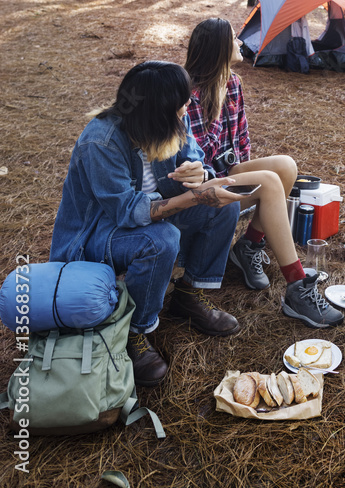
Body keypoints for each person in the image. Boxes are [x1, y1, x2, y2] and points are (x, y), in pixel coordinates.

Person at [50, 61, 243, 387]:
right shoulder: (101, 140)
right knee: (161, 239)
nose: (187, 107)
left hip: (144, 222)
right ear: (157, 111)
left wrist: (200, 173)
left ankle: (188, 295)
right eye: (181, 102)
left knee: (224, 208)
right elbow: (126, 212)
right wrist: (191, 199)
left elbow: (196, 158)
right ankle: (134, 332)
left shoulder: (171, 121)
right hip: (96, 236)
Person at [185, 17, 343, 329]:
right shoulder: (190, 95)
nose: (241, 43)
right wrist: (247, 182)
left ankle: (248, 246)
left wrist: (244, 175)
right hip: (199, 188)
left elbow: (241, 142)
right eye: (233, 38)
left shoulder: (231, 82)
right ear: (218, 48)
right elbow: (197, 164)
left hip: (225, 174)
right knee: (270, 182)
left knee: (286, 166)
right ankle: (297, 286)